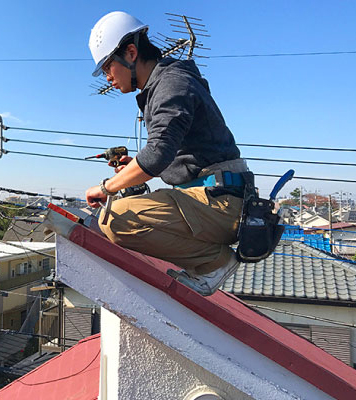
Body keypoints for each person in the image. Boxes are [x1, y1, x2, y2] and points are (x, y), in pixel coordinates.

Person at [85, 11, 250, 296]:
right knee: (126, 206)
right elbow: (172, 157)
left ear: (131, 52)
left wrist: (106, 187)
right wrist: (134, 166)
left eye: (108, 67)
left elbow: (157, 154)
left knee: (115, 218)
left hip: (221, 203)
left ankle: (214, 263)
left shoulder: (171, 84)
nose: (108, 77)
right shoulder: (165, 84)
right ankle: (210, 260)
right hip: (215, 196)